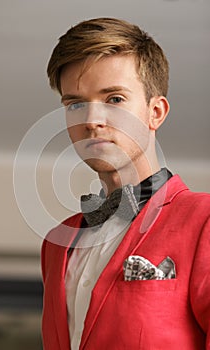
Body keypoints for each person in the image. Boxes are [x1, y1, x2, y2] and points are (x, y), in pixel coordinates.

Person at [41, 17, 210, 349]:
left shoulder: (204, 219)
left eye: (114, 99)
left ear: (155, 112)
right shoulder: (56, 243)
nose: (91, 121)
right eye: (75, 103)